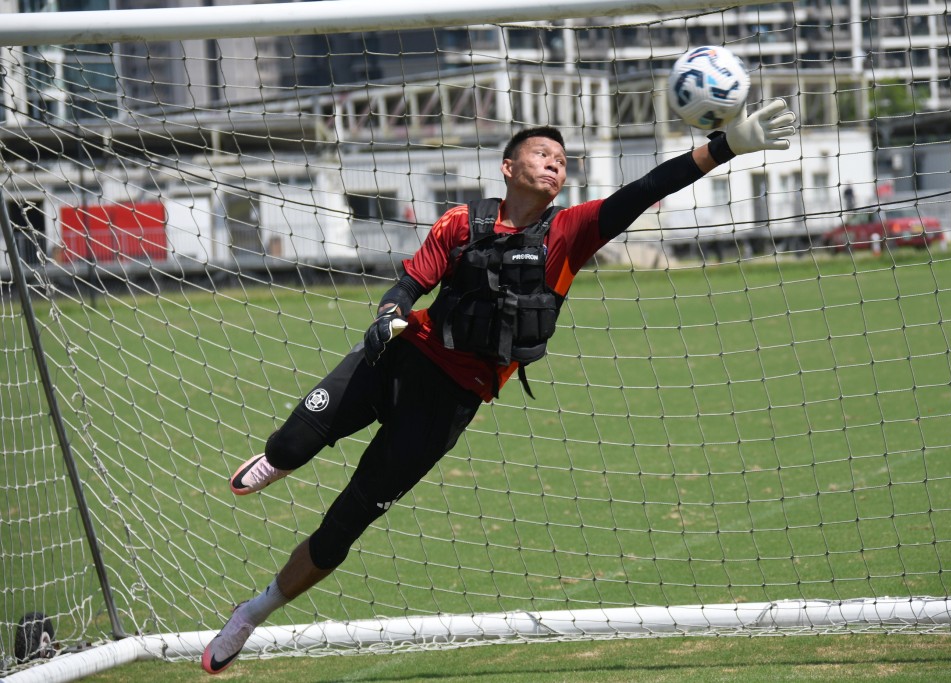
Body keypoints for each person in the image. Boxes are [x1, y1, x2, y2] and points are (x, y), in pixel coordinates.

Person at [201, 99, 797, 675]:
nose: (555, 163)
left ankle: (251, 615)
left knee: (342, 530)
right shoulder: (461, 223)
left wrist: (727, 145)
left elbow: (647, 189)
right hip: (394, 363)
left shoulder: (571, 233)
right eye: (542, 154)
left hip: (448, 407)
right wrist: (386, 315)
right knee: (287, 449)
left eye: (563, 160)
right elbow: (408, 287)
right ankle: (277, 461)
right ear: (509, 167)